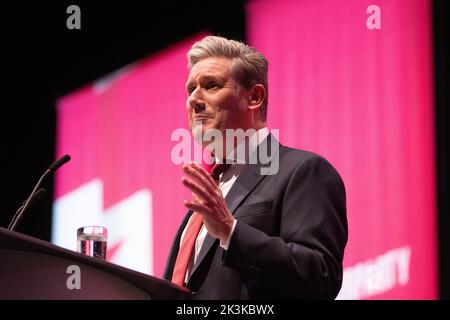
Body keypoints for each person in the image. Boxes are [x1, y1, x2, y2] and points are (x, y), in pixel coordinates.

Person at [163, 35, 347, 299]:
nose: (194, 99)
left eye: (210, 85)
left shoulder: (304, 171)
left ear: (254, 98)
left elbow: (320, 277)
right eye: (190, 89)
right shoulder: (210, 192)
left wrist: (231, 231)